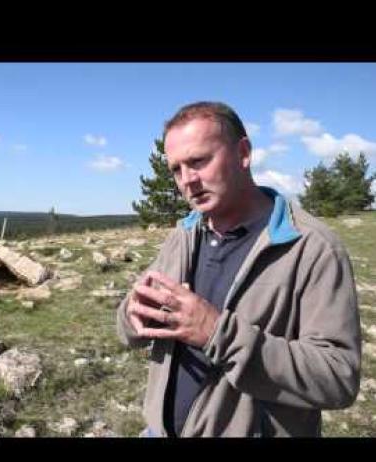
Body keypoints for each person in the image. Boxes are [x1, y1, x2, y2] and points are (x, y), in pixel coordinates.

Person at [117, 101, 361, 437]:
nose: (187, 180)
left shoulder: (312, 247)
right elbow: (127, 326)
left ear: (243, 153)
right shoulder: (183, 235)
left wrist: (218, 333)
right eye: (176, 169)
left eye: (199, 161)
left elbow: (338, 378)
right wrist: (134, 314)